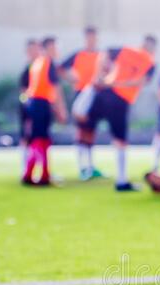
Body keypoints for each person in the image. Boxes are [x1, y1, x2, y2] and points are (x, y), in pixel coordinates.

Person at [85, 35, 157, 192]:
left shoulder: (127, 50)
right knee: (121, 141)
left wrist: (100, 76)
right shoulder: (150, 62)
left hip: (106, 92)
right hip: (120, 99)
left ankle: (86, 167)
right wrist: (118, 82)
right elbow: (141, 81)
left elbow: (104, 54)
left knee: (86, 126)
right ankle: (121, 180)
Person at [22, 36, 67, 186]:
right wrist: (61, 110)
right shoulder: (48, 63)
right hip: (40, 104)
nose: (57, 51)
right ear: (47, 48)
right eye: (54, 47)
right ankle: (43, 175)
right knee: (41, 140)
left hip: (34, 103)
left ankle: (31, 173)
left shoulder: (38, 62)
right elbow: (55, 89)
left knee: (38, 139)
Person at [60, 26, 102, 180]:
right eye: (89, 37)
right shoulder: (78, 55)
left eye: (94, 37)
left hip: (95, 96)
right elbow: (61, 68)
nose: (92, 40)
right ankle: (82, 167)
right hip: (81, 94)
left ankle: (91, 165)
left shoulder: (100, 55)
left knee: (91, 131)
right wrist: (72, 79)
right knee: (80, 131)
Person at [18, 38, 40, 173]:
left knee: (39, 138)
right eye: (32, 49)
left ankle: (38, 167)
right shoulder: (27, 70)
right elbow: (23, 92)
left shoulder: (40, 67)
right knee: (26, 136)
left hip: (39, 107)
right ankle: (24, 168)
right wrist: (27, 102)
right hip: (28, 108)